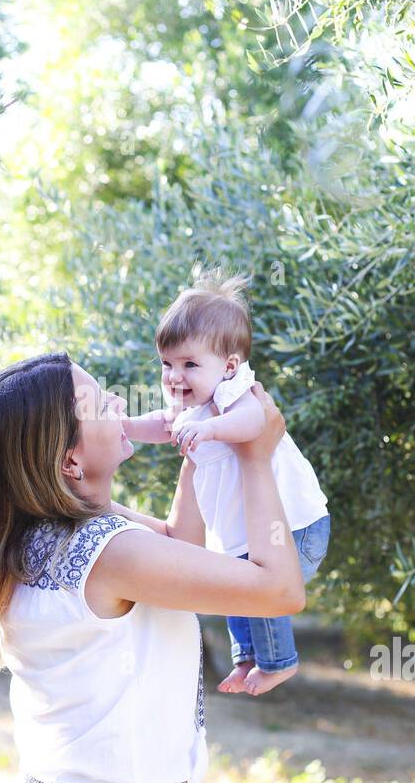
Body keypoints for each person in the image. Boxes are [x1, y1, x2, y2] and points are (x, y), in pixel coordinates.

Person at [0, 351, 305, 783]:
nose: (119, 401)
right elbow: (279, 590)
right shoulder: (109, 552)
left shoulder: (40, 532)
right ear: (70, 460)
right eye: (100, 404)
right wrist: (255, 457)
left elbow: (178, 549)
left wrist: (200, 449)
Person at [122, 268, 330, 695]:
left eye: (189, 365)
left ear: (229, 365)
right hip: (249, 539)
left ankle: (279, 662)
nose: (174, 376)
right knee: (237, 585)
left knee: (258, 591)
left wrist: (214, 430)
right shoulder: (194, 402)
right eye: (167, 364)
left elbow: (256, 421)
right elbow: (162, 425)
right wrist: (123, 426)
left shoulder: (236, 392)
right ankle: (246, 658)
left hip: (297, 527)